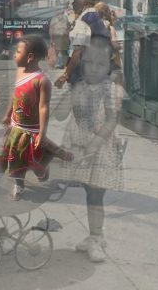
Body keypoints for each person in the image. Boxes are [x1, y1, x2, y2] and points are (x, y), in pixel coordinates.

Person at [59, 36, 124, 262]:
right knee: (89, 193)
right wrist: (69, 95)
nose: (94, 69)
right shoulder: (80, 86)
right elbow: (60, 114)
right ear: (81, 63)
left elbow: (112, 119)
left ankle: (96, 237)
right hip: (81, 148)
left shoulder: (108, 88)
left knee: (96, 195)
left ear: (109, 66)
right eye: (89, 63)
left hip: (99, 152)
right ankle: (94, 234)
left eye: (100, 64)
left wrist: (95, 143)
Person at [0, 35, 73, 201]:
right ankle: (19, 185)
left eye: (18, 52)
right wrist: (8, 113)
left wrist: (42, 133)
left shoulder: (42, 81)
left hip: (32, 130)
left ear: (30, 57)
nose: (14, 55)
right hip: (16, 127)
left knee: (37, 165)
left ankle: (49, 158)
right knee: (16, 159)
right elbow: (15, 94)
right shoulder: (19, 73)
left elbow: (43, 107)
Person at [54, 0, 109, 89]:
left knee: (80, 105)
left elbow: (78, 52)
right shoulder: (95, 18)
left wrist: (65, 76)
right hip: (96, 75)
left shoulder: (84, 21)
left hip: (83, 78)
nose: (73, 3)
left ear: (85, 1)